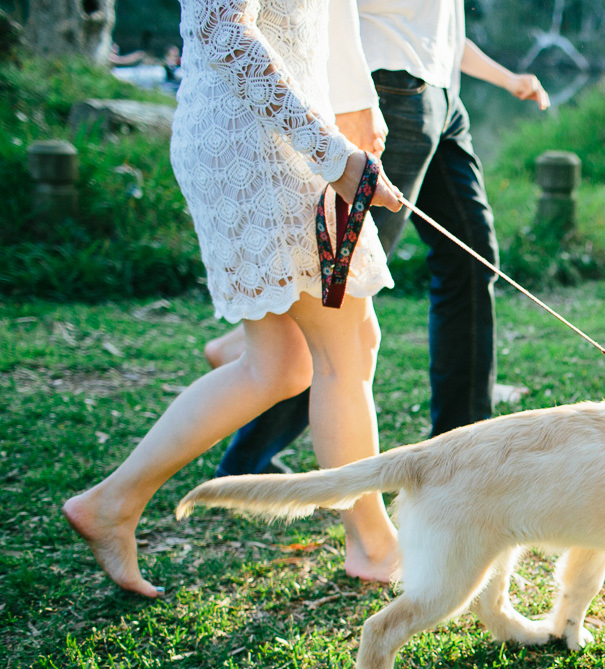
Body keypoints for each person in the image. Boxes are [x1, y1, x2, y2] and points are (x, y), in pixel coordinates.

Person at [64, 0, 403, 596]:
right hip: (263, 147)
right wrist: (330, 152)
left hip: (283, 136)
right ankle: (375, 546)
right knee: (343, 350)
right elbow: (221, 28)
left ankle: (112, 501)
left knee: (283, 364)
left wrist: (350, 117)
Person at [202, 0, 550, 477]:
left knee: (472, 259)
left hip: (443, 96)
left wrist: (507, 79)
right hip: (387, 90)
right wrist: (355, 102)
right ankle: (245, 462)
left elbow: (438, 29)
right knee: (339, 293)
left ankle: (464, 449)